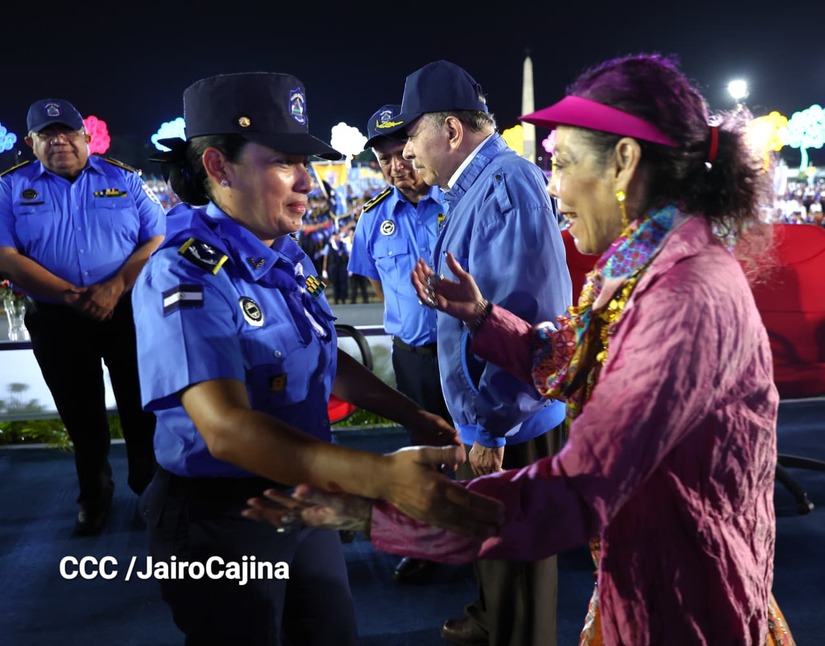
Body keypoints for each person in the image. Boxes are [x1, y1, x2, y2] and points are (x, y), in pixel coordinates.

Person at [245, 53, 796, 645]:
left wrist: (378, 510)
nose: (552, 187)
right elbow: (569, 356)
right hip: (649, 569)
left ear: (624, 162)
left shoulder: (681, 299)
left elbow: (576, 491)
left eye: (563, 163)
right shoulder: (646, 264)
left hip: (684, 598)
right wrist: (483, 316)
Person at [131, 71, 501, 645]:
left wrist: (408, 413)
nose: (308, 180)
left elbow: (321, 353)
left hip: (305, 496)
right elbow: (225, 429)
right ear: (219, 167)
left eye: (305, 161)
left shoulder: (285, 253)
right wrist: (381, 478)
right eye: (284, 161)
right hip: (221, 517)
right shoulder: (185, 273)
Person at [386, 60, 573, 646]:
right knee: (495, 551)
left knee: (518, 569)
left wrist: (491, 426)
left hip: (511, 417)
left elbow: (528, 316)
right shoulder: (479, 183)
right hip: (496, 411)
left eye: (412, 134)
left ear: (450, 130)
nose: (406, 150)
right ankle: (490, 619)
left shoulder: (506, 183)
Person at [0, 98, 165, 536]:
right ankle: (94, 496)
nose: (59, 142)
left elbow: (156, 237)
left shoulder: (124, 179)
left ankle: (149, 489)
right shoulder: (9, 188)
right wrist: (70, 296)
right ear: (31, 142)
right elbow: (6, 256)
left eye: (67, 132)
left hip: (126, 310)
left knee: (141, 406)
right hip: (56, 319)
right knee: (80, 413)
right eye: (47, 135)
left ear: (85, 136)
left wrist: (115, 286)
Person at [349, 103, 453, 583]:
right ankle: (431, 544)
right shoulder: (373, 219)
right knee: (423, 454)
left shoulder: (457, 203)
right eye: (384, 158)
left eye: (402, 152)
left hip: (465, 352)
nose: (396, 165)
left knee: (479, 446)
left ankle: (485, 543)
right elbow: (377, 287)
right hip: (413, 358)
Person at [320, 228, 350, 304]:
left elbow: (347, 255)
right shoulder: (329, 245)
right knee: (335, 283)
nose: (336, 237)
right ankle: (336, 299)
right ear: (332, 236)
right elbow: (325, 258)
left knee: (343, 283)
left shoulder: (342, 244)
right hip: (333, 266)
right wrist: (324, 269)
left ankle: (343, 299)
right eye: (334, 235)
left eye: (337, 235)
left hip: (342, 266)